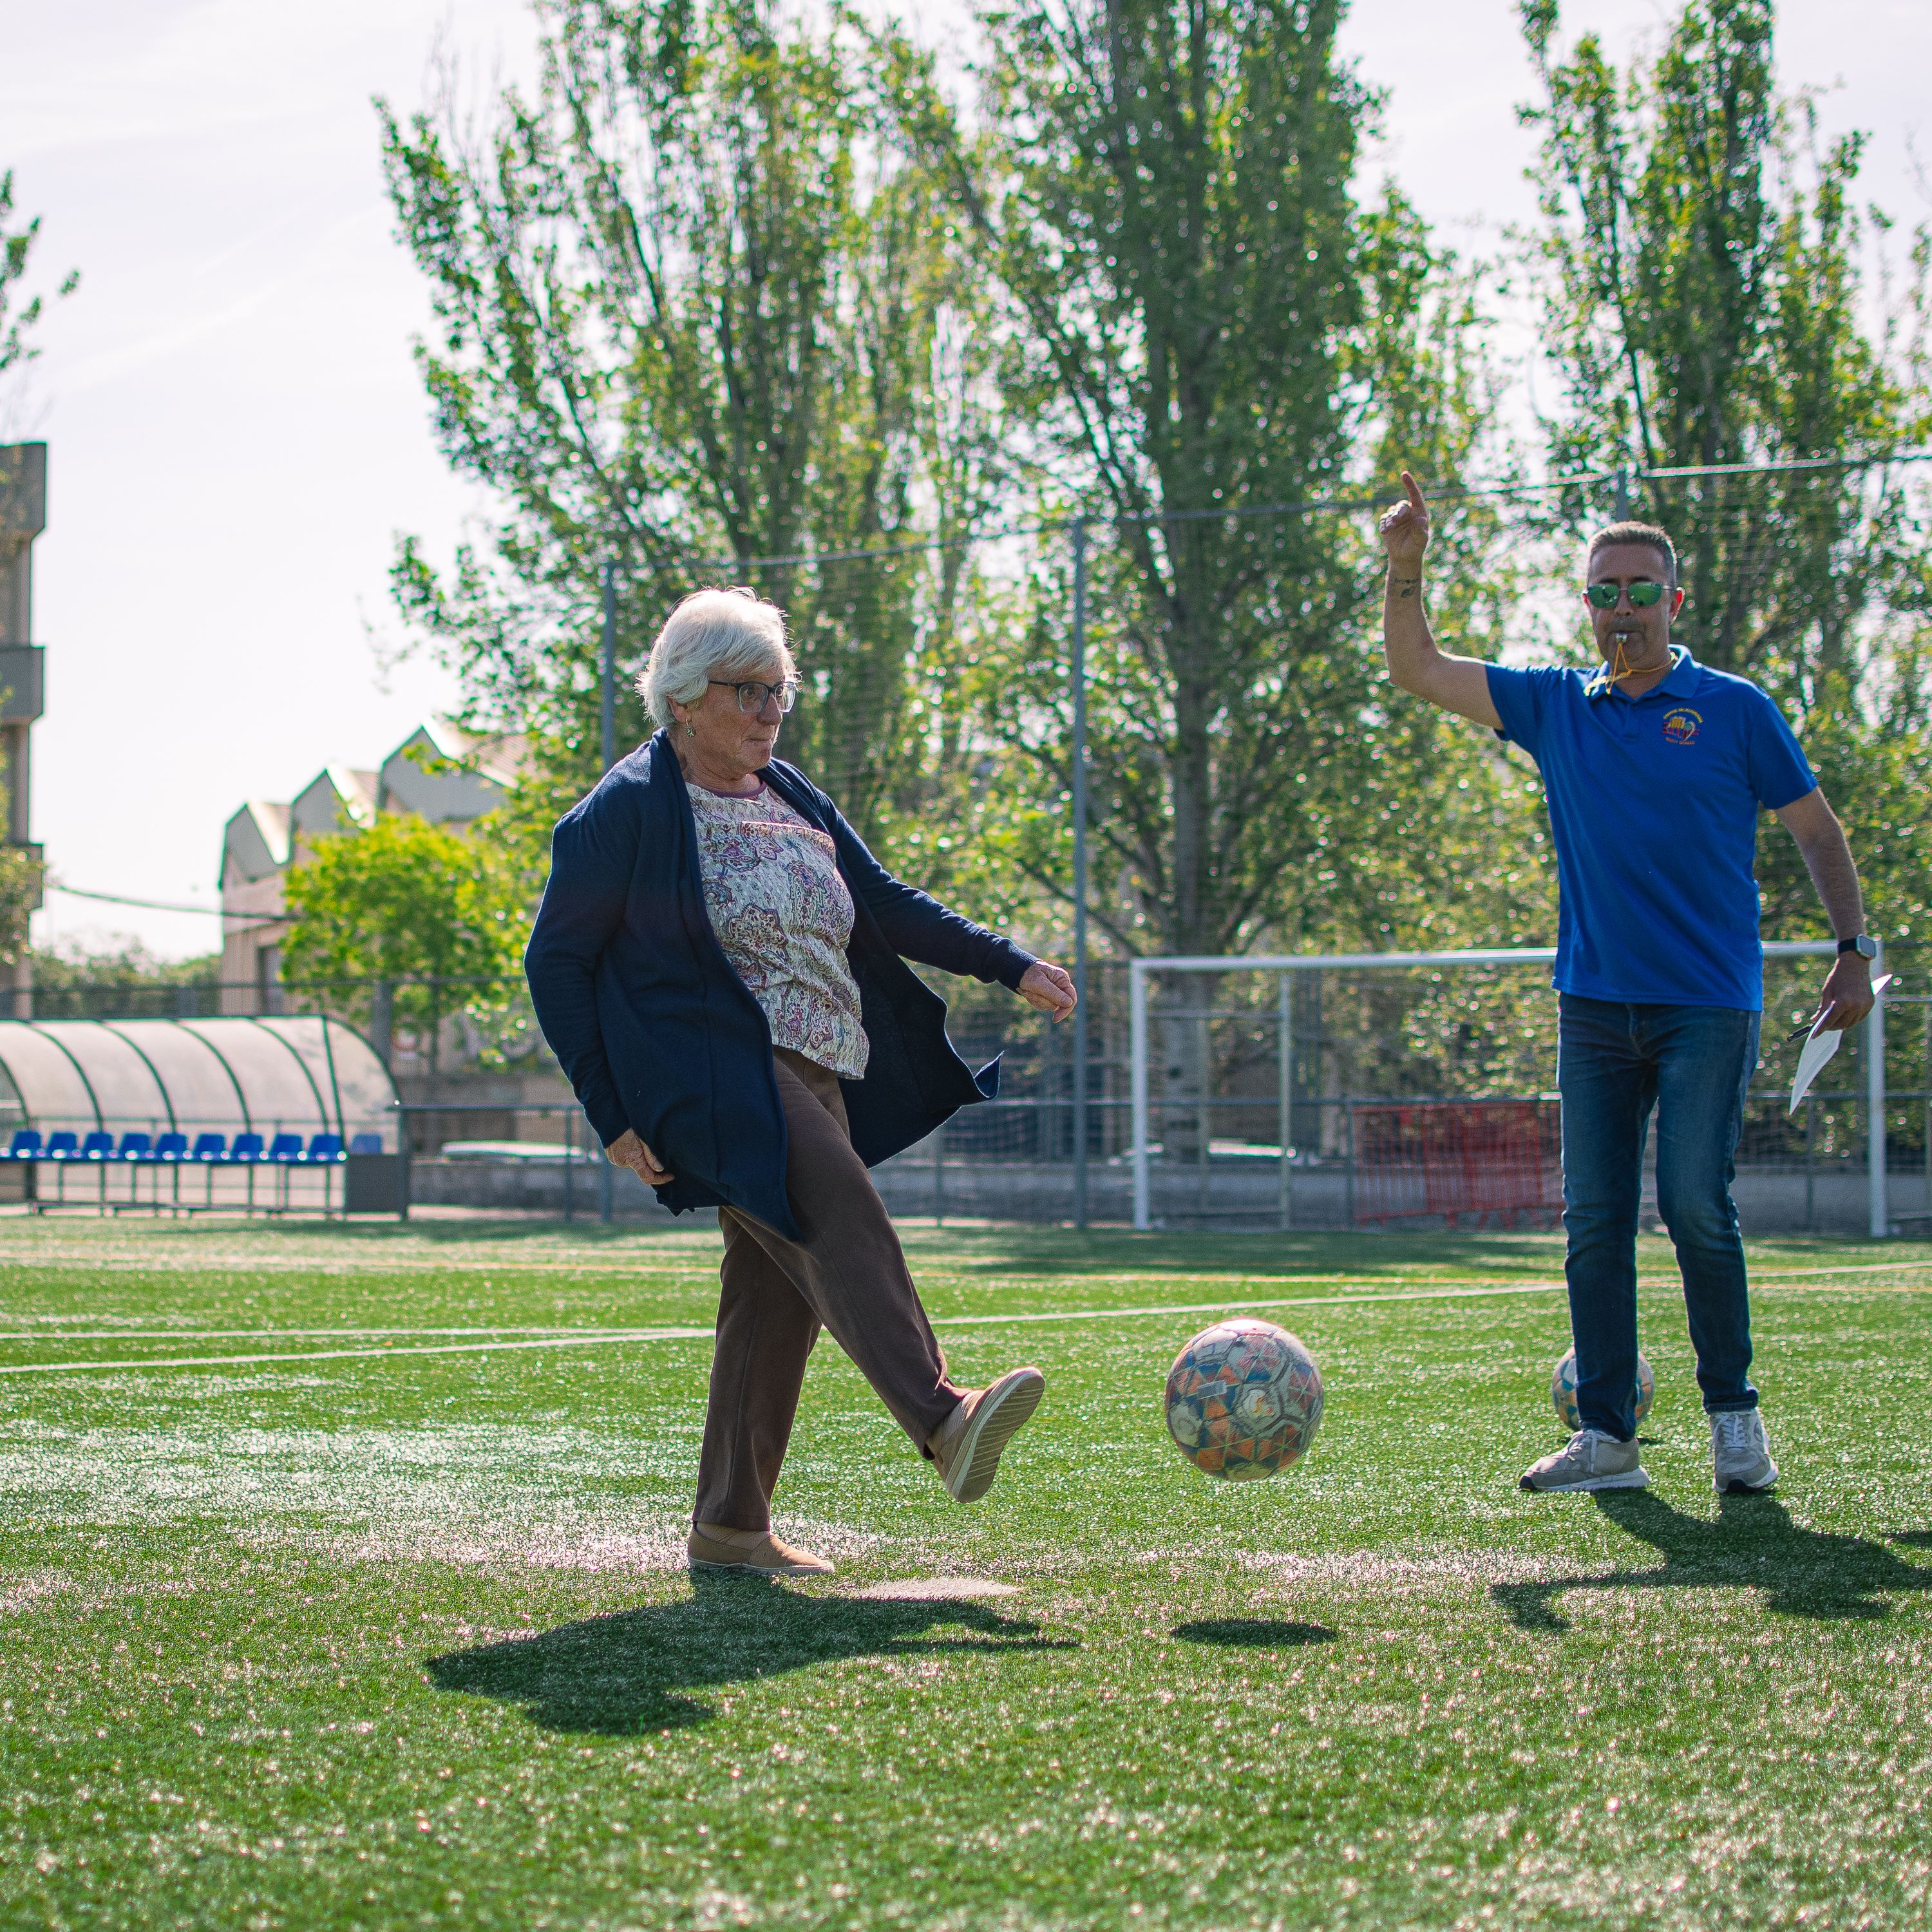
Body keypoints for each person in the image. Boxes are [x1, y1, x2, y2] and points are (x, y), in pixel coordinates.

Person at [526, 586, 1077, 1575]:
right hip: (706, 1072)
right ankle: (943, 1417)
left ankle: (730, 1527)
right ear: (684, 699)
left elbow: (883, 902)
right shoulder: (625, 811)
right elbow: (556, 962)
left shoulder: (790, 793)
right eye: (750, 691)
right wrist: (609, 1112)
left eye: (781, 689)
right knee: (837, 1206)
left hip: (819, 1068)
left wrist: (1007, 963)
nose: (772, 710)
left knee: (775, 1299)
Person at [1376, 471, 1875, 1495]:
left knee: (1695, 1205)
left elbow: (1818, 833)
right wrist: (1407, 566)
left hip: (1708, 1006)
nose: (1622, 609)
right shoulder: (1557, 705)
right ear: (1588, 606)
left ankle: (1734, 1422)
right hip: (1594, 1007)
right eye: (1604, 592)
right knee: (1596, 1220)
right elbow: (1416, 668)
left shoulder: (1736, 709)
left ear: (1674, 602)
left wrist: (1853, 950)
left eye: (1641, 590)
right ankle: (1607, 1440)